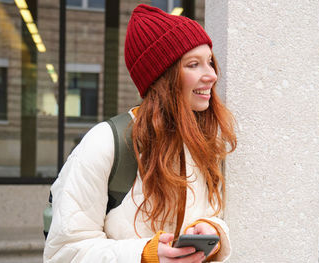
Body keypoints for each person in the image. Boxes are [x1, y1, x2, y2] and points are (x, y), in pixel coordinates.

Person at [43, 4, 236, 263]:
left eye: (210, 62)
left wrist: (212, 231)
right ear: (161, 76)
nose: (211, 75)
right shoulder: (106, 142)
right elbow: (63, 252)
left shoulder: (205, 140)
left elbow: (213, 212)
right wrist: (145, 255)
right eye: (194, 64)